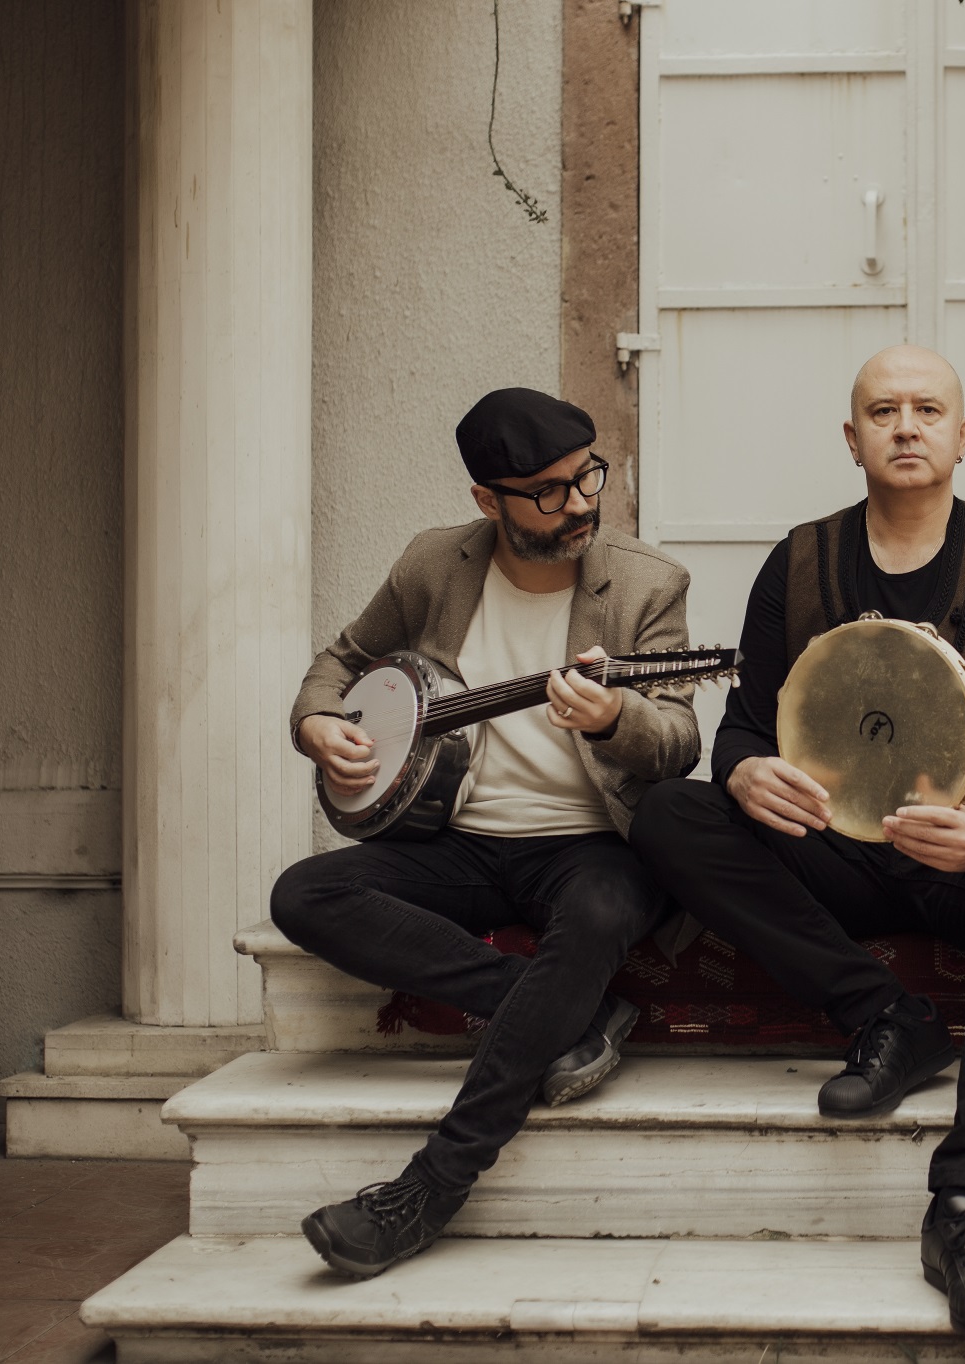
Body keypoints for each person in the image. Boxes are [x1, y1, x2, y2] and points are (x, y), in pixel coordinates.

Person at [630, 346, 965, 1339]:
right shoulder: (798, 560)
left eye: (927, 409)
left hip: (954, 859)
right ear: (851, 436)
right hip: (829, 850)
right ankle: (883, 1013)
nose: (905, 426)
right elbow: (744, 727)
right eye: (882, 410)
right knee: (669, 813)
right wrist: (743, 770)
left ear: (961, 435)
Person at [271, 387, 699, 1279]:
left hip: (590, 843)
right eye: (546, 492)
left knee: (595, 917)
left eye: (587, 476)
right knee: (305, 893)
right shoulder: (434, 564)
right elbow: (341, 661)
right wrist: (316, 724)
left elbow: (677, 742)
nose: (578, 503)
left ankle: (430, 1186)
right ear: (486, 500)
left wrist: (614, 716)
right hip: (458, 840)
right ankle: (572, 1009)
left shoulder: (647, 582)